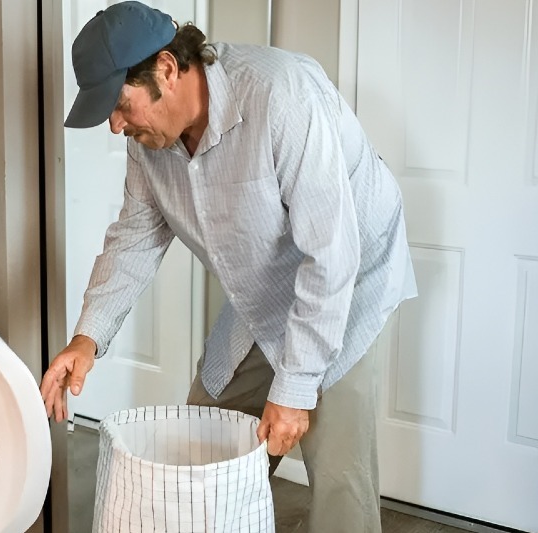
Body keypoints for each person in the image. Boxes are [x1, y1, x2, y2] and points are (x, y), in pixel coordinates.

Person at [40, 2, 417, 531]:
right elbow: (136, 236)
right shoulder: (150, 143)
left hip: (348, 279)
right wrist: (86, 339)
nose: (114, 125)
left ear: (167, 70)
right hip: (264, 286)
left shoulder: (282, 98)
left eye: (120, 105)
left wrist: (293, 391)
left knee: (337, 473)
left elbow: (330, 255)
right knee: (205, 435)